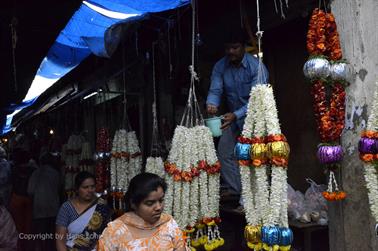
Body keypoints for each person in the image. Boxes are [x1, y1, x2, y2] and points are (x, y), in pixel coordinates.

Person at [206, 27, 269, 207]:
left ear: (243, 47)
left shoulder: (257, 68)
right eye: (228, 48)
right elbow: (216, 89)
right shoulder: (220, 66)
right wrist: (212, 104)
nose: (231, 52)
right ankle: (239, 193)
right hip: (231, 117)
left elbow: (257, 101)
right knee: (225, 154)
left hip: (254, 117)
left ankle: (259, 197)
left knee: (255, 157)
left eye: (235, 48)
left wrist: (237, 114)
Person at [98, 172, 187, 251]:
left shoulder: (169, 224)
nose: (158, 207)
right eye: (150, 203)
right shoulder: (115, 231)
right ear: (133, 203)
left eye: (161, 200)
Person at [55, 171, 111, 251]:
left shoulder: (101, 206)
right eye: (85, 187)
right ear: (77, 189)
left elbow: (109, 235)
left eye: (92, 187)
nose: (90, 190)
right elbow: (60, 240)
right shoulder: (67, 208)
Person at [28, 152, 61, 251]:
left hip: (39, 208)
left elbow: (30, 191)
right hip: (53, 208)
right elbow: (60, 188)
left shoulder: (36, 173)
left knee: (41, 234)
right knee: (51, 235)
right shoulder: (56, 173)